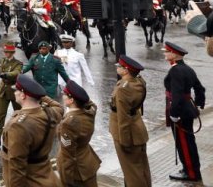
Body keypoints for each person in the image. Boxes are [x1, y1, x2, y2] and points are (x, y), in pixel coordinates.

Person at [0, 75, 64, 186]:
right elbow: (58, 107)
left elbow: (17, 168)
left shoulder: (18, 127)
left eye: (17, 91)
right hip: (46, 176)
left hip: (31, 181)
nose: (15, 93)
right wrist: (39, 96)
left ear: (23, 95)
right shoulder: (50, 113)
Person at [163, 41, 206, 183]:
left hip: (180, 112)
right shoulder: (187, 69)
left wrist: (174, 114)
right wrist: (199, 104)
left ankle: (191, 174)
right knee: (188, 142)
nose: (164, 53)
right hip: (187, 109)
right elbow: (200, 89)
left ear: (174, 55)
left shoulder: (175, 70)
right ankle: (190, 168)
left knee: (184, 144)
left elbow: (177, 94)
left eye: (167, 51)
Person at [108, 55, 151, 187]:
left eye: (120, 66)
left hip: (128, 134)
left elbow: (123, 116)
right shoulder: (138, 81)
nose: (117, 68)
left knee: (132, 172)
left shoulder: (123, 89)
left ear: (126, 70)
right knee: (140, 168)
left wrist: (124, 140)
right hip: (137, 128)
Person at [57, 80, 101, 187]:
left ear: (71, 100)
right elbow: (91, 103)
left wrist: (67, 179)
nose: (63, 96)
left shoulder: (69, 123)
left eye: (65, 94)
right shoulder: (90, 111)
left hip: (77, 171)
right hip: (88, 162)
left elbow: (68, 155)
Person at [0, 42, 22, 146]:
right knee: (0, 114)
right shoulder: (1, 61)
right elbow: (0, 71)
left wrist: (6, 74)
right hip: (2, 90)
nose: (6, 53)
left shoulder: (18, 63)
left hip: (14, 90)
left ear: (12, 52)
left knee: (18, 114)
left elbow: (16, 73)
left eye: (8, 52)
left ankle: (20, 135)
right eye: (5, 51)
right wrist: (4, 74)